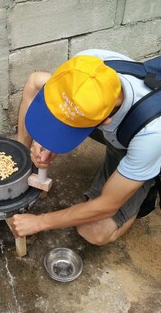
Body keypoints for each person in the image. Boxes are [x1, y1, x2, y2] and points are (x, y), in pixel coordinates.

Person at [10, 49, 161, 245]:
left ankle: (146, 180)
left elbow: (106, 205)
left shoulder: (151, 136)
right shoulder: (87, 66)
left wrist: (40, 222)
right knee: (36, 81)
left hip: (136, 141)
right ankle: (22, 160)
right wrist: (45, 140)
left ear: (106, 121)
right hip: (122, 127)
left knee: (94, 231)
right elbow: (35, 81)